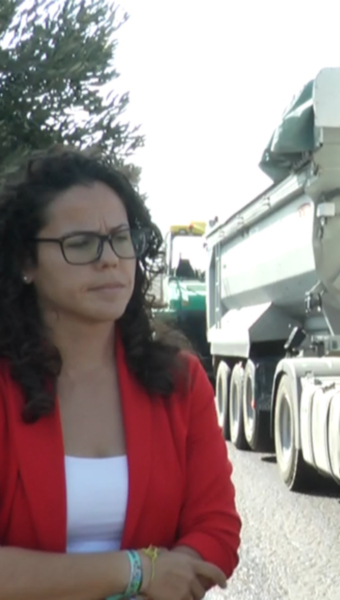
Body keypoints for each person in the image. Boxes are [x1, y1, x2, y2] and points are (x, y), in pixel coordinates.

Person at [0, 148, 242, 600]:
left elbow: (217, 526)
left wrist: (181, 572)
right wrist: (138, 572)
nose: (109, 259)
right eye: (81, 244)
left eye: (121, 238)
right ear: (25, 262)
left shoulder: (180, 380)